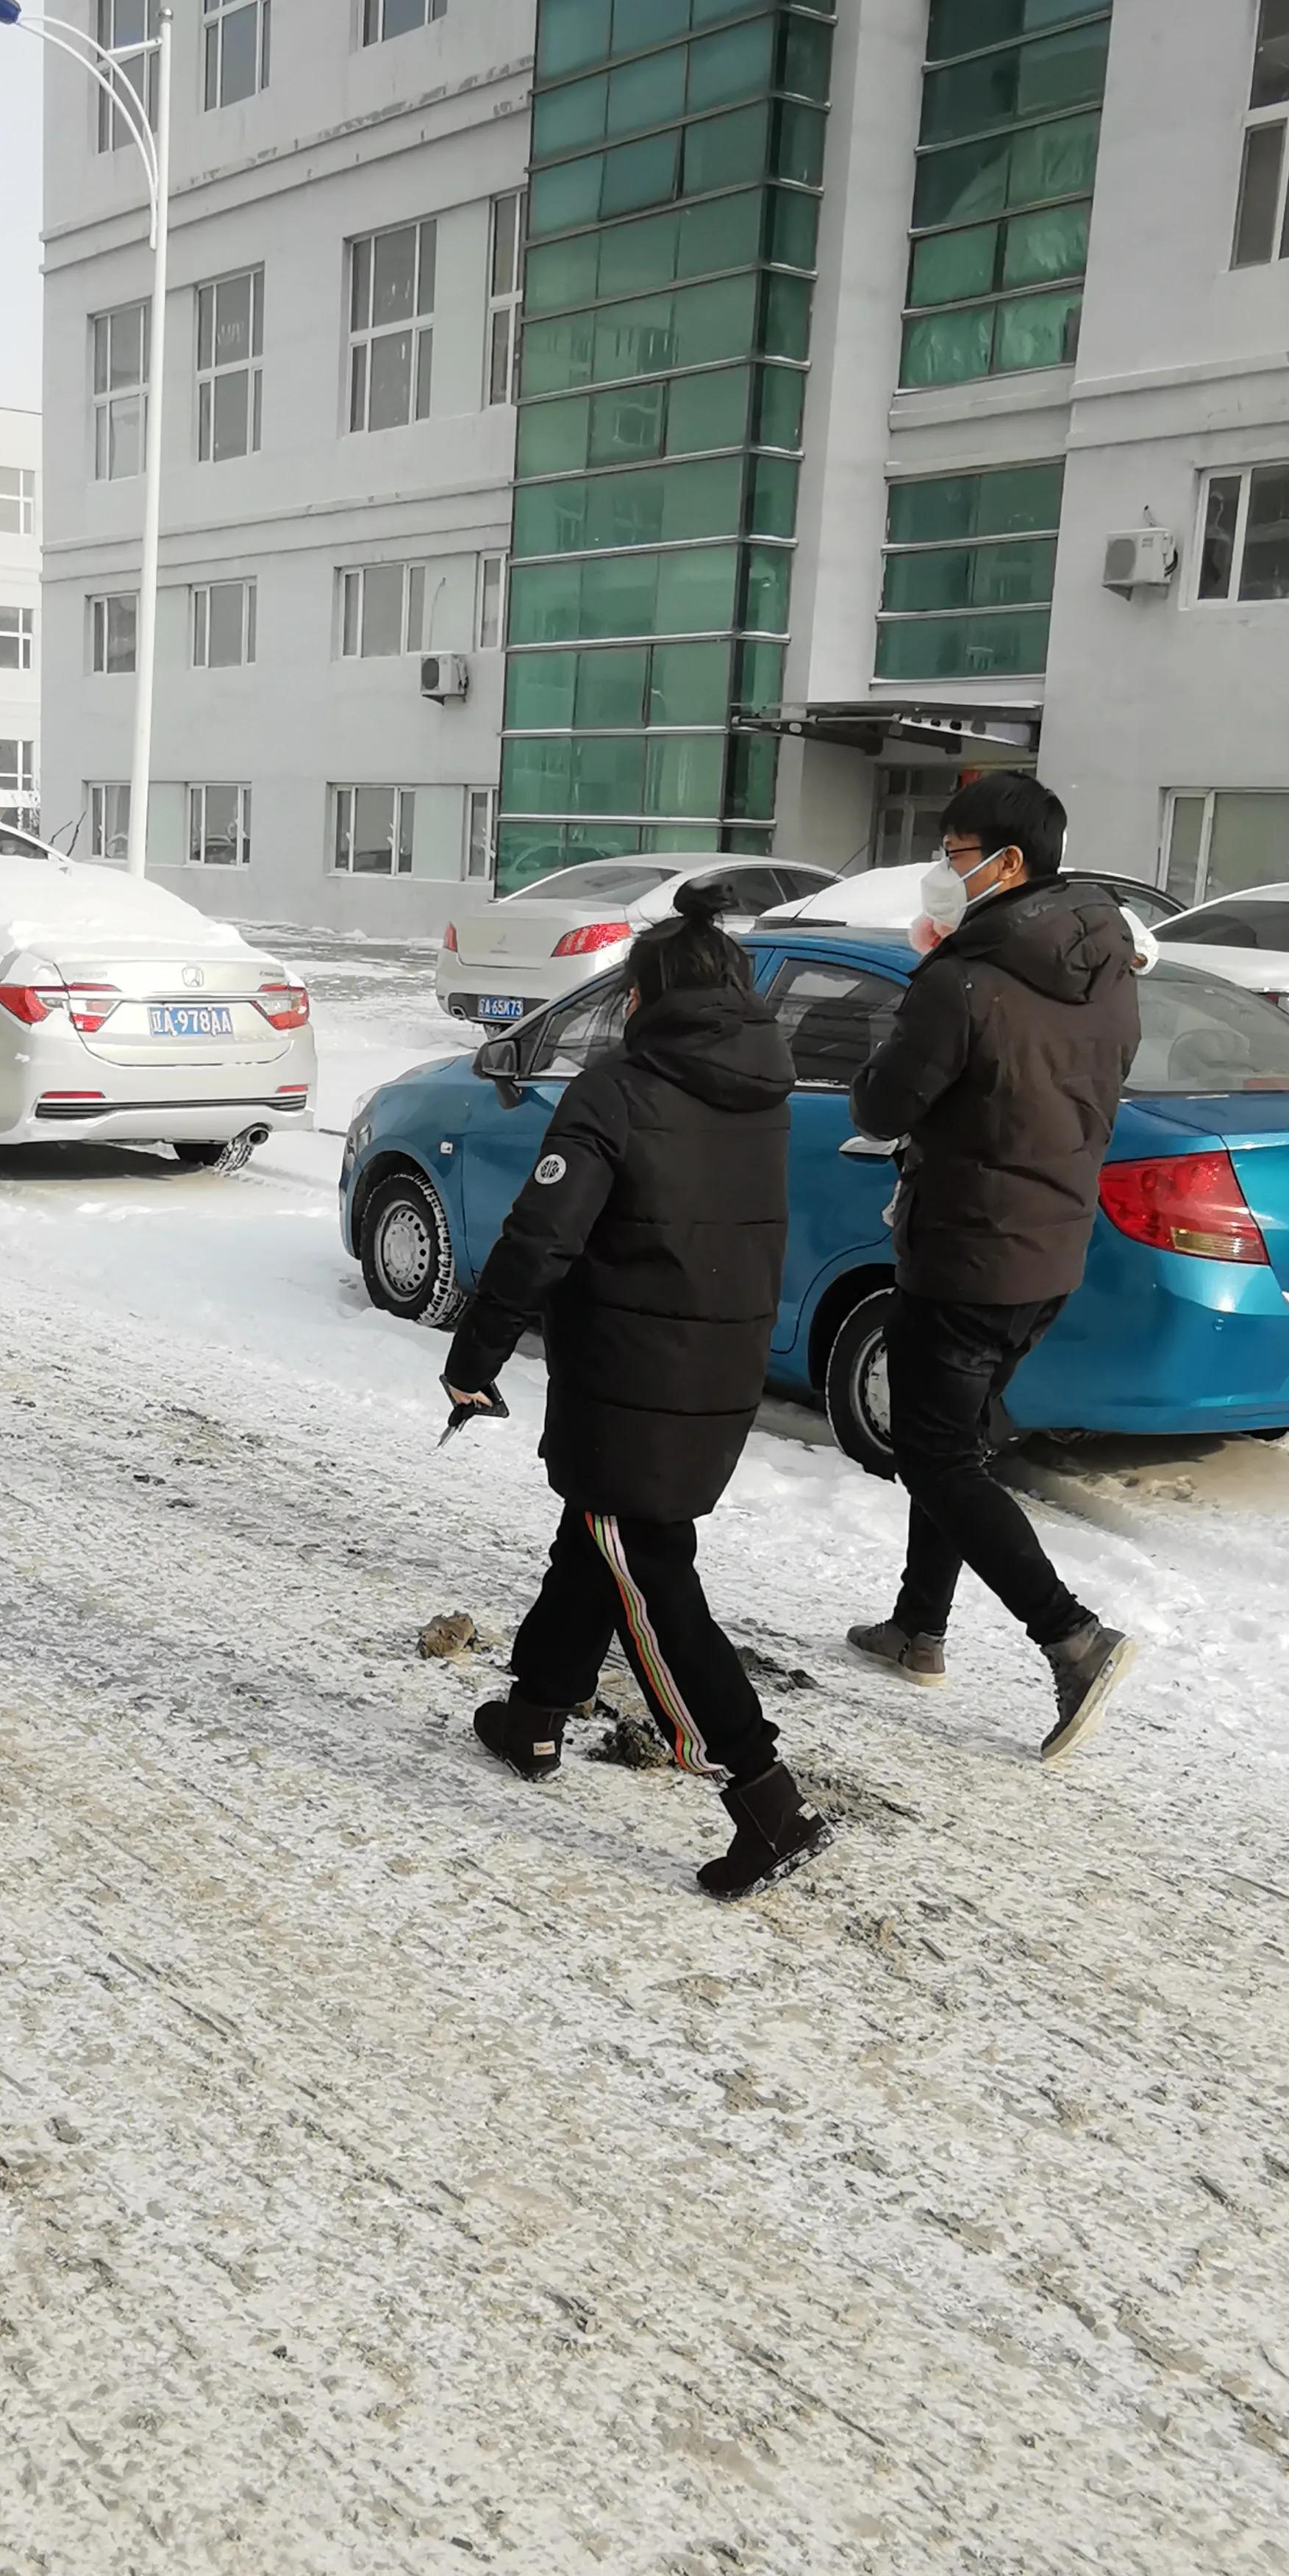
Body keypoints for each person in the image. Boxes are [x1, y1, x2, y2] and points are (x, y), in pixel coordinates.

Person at [440, 881, 832, 1900]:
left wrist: (474, 1353)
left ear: (642, 997)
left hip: (630, 1367)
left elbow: (542, 1237)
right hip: (719, 1362)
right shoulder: (764, 1089)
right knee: (601, 1535)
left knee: (648, 1574)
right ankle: (535, 1714)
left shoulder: (620, 1088)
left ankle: (763, 1796)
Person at [845, 771, 1141, 1761]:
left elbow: (883, 1107)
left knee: (934, 1454)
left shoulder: (961, 980)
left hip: (967, 1249)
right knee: (957, 1443)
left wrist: (924, 991)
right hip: (1051, 1247)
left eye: (955, 852)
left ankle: (1072, 1638)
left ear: (1008, 864)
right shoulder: (1106, 968)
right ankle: (918, 1630)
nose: (942, 870)